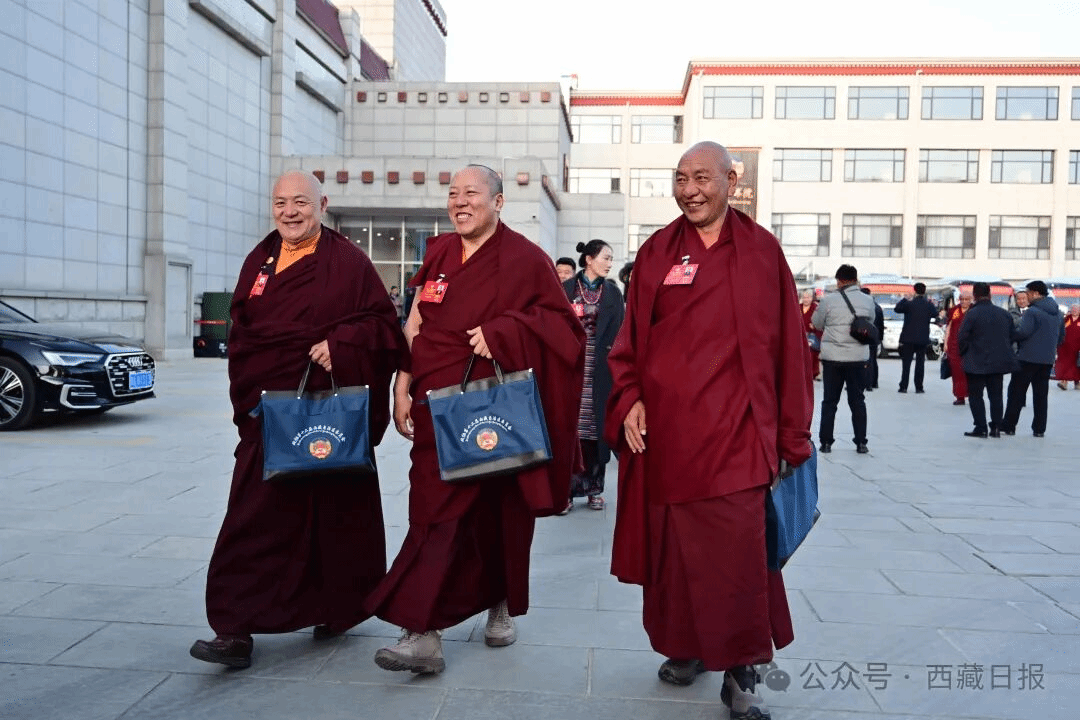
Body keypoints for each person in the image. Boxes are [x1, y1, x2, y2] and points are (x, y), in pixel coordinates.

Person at [605, 142, 812, 720]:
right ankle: (688, 644)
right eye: (680, 179)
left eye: (702, 178)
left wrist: (792, 435)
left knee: (739, 553)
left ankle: (742, 670)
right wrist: (630, 398)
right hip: (670, 434)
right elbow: (629, 342)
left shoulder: (761, 251)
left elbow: (789, 349)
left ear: (730, 181)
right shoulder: (657, 252)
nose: (690, 190)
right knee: (677, 553)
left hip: (739, 432)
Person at [364, 164, 585, 674]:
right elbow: (416, 321)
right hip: (438, 406)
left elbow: (565, 331)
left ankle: (499, 603)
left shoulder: (526, 259)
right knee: (432, 514)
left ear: (499, 202)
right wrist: (402, 383)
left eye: (472, 193)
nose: (460, 202)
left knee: (501, 513)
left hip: (497, 411)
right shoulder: (439, 252)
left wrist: (506, 331)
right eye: (453, 194)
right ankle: (423, 631)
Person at [189, 171, 405, 669]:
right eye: (281, 202)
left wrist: (342, 344)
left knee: (334, 517)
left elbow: (382, 328)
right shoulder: (260, 260)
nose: (289, 212)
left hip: (327, 415)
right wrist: (248, 399)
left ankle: (334, 608)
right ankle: (233, 627)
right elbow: (243, 332)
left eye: (301, 202)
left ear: (322, 205)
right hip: (270, 413)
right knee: (252, 516)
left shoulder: (347, 262)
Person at [561, 239, 624, 513]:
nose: (610, 263)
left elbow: (620, 333)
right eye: (605, 258)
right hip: (572, 367)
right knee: (571, 431)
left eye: (611, 259)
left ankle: (595, 489)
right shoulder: (566, 289)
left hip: (601, 370)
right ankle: (567, 492)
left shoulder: (613, 294)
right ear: (589, 259)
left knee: (596, 430)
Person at [812, 265, 875, 454]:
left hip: (833, 359)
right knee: (858, 401)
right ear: (855, 280)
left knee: (830, 401)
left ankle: (826, 443)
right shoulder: (868, 300)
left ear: (839, 281)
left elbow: (817, 323)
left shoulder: (828, 300)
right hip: (858, 358)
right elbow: (870, 323)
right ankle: (861, 443)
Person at [1001, 281, 1064, 438]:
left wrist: (1011, 335)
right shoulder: (1057, 313)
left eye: (1028, 293)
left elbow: (1023, 332)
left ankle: (1009, 425)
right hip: (1047, 359)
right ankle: (1039, 429)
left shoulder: (1032, 312)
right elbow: (1061, 337)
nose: (1027, 296)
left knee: (1016, 392)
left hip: (1027, 358)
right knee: (1041, 395)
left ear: (1036, 293)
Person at [957, 282, 1019, 438]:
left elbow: (962, 337)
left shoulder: (972, 314)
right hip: (998, 362)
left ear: (975, 296)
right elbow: (1012, 336)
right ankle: (996, 427)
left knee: (976, 395)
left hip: (975, 361)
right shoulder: (1003, 314)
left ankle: (981, 427)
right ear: (990, 295)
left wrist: (965, 353)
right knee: (996, 395)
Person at [894, 282, 935, 393]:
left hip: (908, 339)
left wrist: (905, 299)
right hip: (922, 339)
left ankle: (903, 386)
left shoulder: (909, 304)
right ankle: (919, 387)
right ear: (924, 291)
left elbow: (897, 309)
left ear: (914, 290)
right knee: (920, 364)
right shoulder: (928, 305)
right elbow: (935, 313)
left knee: (906, 364)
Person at [943, 290, 973, 405]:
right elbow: (949, 327)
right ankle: (960, 396)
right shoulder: (954, 310)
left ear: (971, 300)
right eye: (962, 299)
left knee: (969, 372)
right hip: (954, 345)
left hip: (970, 346)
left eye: (967, 299)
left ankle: (972, 395)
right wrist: (945, 343)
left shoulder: (974, 310)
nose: (964, 302)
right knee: (957, 372)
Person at [860, 287, 884, 391]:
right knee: (873, 360)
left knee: (863, 360)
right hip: (874, 336)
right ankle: (874, 382)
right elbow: (881, 324)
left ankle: (865, 383)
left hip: (863, 336)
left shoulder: (861, 306)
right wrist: (880, 338)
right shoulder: (877, 307)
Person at [1054, 303, 1080, 390]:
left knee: (1076, 365)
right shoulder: (1066, 319)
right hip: (1064, 347)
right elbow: (1060, 330)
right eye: (1073, 309)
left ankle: (1077, 382)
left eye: (1076, 309)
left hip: (1077, 348)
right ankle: (1064, 382)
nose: (1074, 310)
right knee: (1064, 364)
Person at [800, 289, 822, 381]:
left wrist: (814, 326)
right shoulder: (798, 307)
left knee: (811, 352)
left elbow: (820, 321)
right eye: (804, 297)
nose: (806, 299)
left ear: (812, 298)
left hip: (813, 335)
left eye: (808, 297)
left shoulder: (815, 307)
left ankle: (813, 373)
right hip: (800, 335)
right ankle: (802, 373)